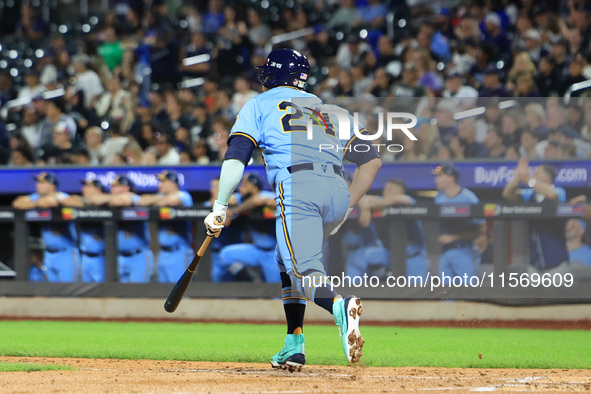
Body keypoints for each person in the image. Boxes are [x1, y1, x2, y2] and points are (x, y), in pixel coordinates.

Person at [203, 48, 382, 369]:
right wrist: (346, 208)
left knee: (304, 272)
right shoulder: (332, 109)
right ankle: (293, 343)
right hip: (337, 190)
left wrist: (219, 206)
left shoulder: (258, 104)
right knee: (285, 260)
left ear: (270, 76)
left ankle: (341, 308)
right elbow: (372, 161)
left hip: (299, 187)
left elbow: (236, 157)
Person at [502, 158, 569, 273]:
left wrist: (527, 179)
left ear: (546, 179)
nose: (533, 175)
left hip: (556, 265)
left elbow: (552, 196)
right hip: (535, 265)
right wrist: (517, 178)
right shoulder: (530, 194)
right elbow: (507, 194)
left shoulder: (558, 191)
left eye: (537, 173)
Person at [82, 175, 153, 282]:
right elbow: (94, 199)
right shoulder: (112, 200)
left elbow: (121, 201)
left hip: (138, 255)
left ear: (126, 188)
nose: (112, 189)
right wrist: (111, 198)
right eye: (112, 186)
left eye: (116, 186)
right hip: (118, 256)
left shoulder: (135, 198)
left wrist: (117, 197)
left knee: (140, 293)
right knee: (120, 294)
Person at [12, 172, 79, 282]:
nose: (38, 185)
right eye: (38, 182)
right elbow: (17, 203)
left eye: (42, 182)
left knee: (69, 291)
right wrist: (37, 203)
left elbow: (76, 202)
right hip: (48, 254)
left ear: (52, 186)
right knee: (50, 292)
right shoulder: (37, 197)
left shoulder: (62, 196)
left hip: (66, 253)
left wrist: (55, 201)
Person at [358, 179, 429, 279]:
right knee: (370, 255)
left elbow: (400, 199)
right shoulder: (382, 202)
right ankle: (380, 275)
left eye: (389, 189)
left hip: (413, 257)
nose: (384, 192)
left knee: (417, 292)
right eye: (385, 189)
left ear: (399, 192)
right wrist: (365, 208)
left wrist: (373, 204)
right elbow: (363, 199)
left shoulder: (408, 200)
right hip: (391, 255)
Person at [216, 173, 278, 282]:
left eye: (245, 184)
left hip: (274, 253)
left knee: (275, 294)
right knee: (226, 255)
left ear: (254, 187)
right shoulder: (243, 199)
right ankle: (251, 279)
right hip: (257, 250)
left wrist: (234, 211)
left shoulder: (265, 195)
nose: (241, 188)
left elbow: (258, 200)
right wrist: (224, 210)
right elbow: (227, 199)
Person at [138, 170, 194, 283]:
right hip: (162, 253)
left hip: (179, 252)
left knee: (179, 292)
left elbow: (172, 201)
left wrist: (156, 201)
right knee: (163, 292)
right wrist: (159, 200)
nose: (160, 184)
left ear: (173, 183)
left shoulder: (184, 195)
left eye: (163, 181)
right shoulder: (160, 196)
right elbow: (141, 201)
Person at [433, 164, 485, 279]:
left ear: (451, 178)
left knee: (469, 292)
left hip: (465, 250)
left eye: (440, 176)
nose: (436, 180)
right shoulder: (439, 198)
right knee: (445, 293)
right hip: (445, 251)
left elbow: (482, 228)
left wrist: (454, 237)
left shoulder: (468, 197)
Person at [61, 179, 107, 282]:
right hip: (84, 257)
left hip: (102, 257)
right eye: (84, 186)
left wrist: (90, 201)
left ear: (98, 189)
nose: (84, 189)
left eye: (89, 186)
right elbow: (66, 201)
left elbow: (100, 200)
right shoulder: (79, 202)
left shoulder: (106, 203)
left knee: (104, 291)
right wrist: (86, 202)